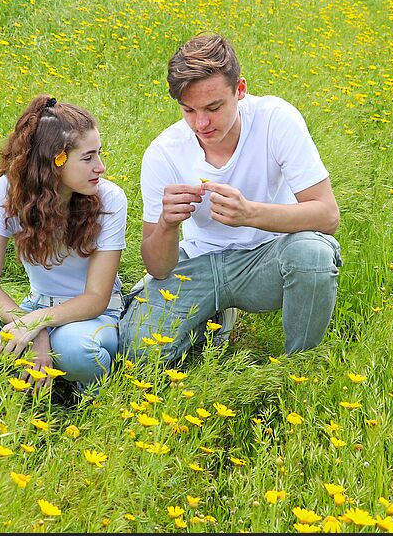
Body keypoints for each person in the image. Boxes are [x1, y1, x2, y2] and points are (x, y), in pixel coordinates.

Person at [119, 32, 342, 362]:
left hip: (267, 257)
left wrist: (249, 213)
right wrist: (166, 225)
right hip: (198, 261)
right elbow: (157, 266)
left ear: (240, 91)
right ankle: (213, 319)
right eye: (189, 110)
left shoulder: (275, 119)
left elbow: (327, 216)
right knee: (136, 352)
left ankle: (298, 368)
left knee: (312, 255)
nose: (202, 123)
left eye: (214, 107)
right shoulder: (163, 153)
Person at [0, 95, 127, 395]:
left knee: (74, 349)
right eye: (88, 158)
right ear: (55, 161)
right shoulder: (7, 193)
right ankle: (5, 383)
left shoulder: (110, 199)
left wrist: (35, 323)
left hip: (94, 314)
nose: (101, 166)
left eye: (99, 153)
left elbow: (96, 297)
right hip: (36, 305)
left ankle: (92, 399)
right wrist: (36, 330)